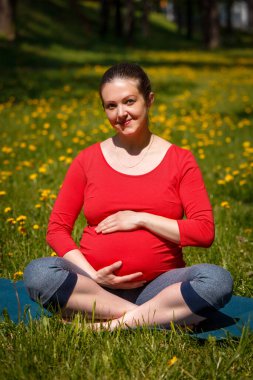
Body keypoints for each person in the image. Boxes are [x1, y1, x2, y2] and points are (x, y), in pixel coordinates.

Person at [24, 62, 233, 330]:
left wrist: (141, 219)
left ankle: (106, 326)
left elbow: (204, 232)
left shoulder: (180, 160)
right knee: (38, 273)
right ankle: (155, 317)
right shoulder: (87, 159)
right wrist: (94, 275)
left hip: (160, 287)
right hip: (95, 287)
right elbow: (56, 230)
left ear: (149, 100)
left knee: (217, 280)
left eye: (129, 101)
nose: (121, 113)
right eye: (111, 106)